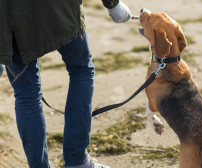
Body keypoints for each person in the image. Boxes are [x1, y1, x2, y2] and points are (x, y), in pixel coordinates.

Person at [0, 0, 131, 168]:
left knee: (27, 94)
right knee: (81, 70)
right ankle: (77, 161)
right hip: (60, 9)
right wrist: (113, 4)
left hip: (9, 18)